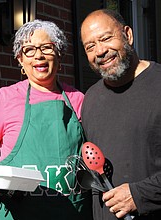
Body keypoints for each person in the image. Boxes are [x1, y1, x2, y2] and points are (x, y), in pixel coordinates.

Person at [0, 19, 92, 220]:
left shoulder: (79, 100)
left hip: (70, 212)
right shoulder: (6, 99)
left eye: (47, 47)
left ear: (59, 55)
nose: (38, 55)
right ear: (20, 59)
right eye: (29, 50)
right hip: (15, 212)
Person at [80, 8, 161, 220]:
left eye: (106, 38)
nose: (100, 51)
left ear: (128, 35)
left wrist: (140, 195)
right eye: (90, 46)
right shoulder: (91, 99)